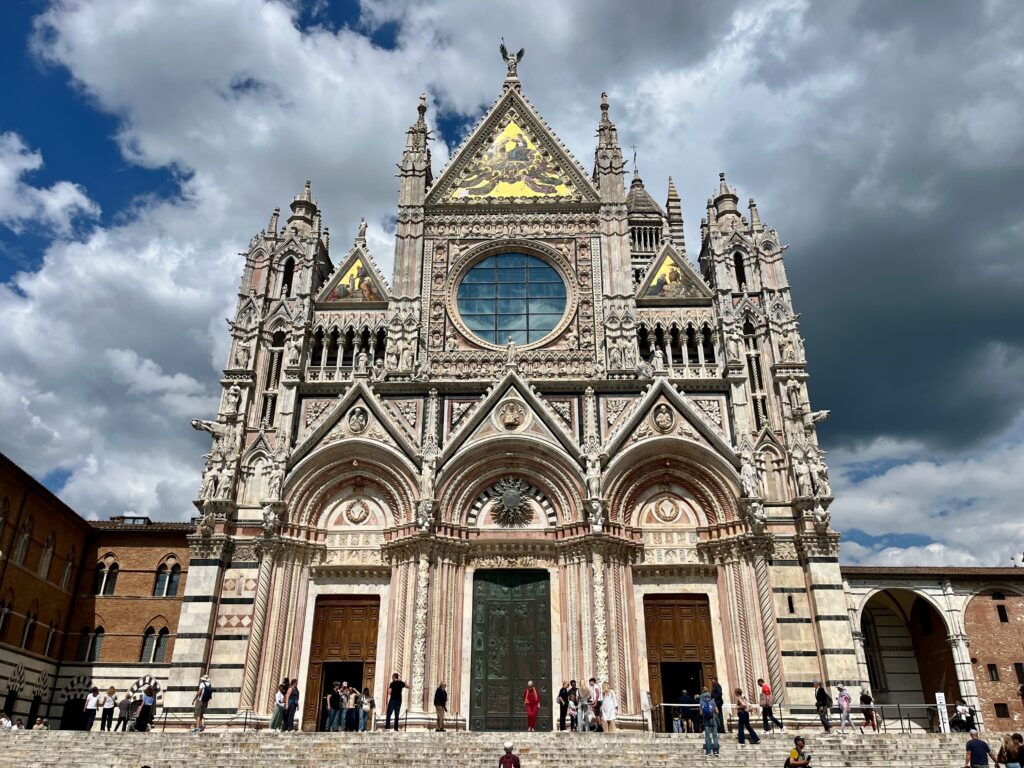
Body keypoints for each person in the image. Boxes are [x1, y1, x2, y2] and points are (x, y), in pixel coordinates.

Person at [700, 689, 719, 757]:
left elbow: (701, 713)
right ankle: (716, 751)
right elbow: (717, 711)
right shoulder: (713, 702)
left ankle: (708, 752)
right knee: (715, 736)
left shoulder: (702, 702)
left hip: (706, 721)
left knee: (707, 736)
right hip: (713, 720)